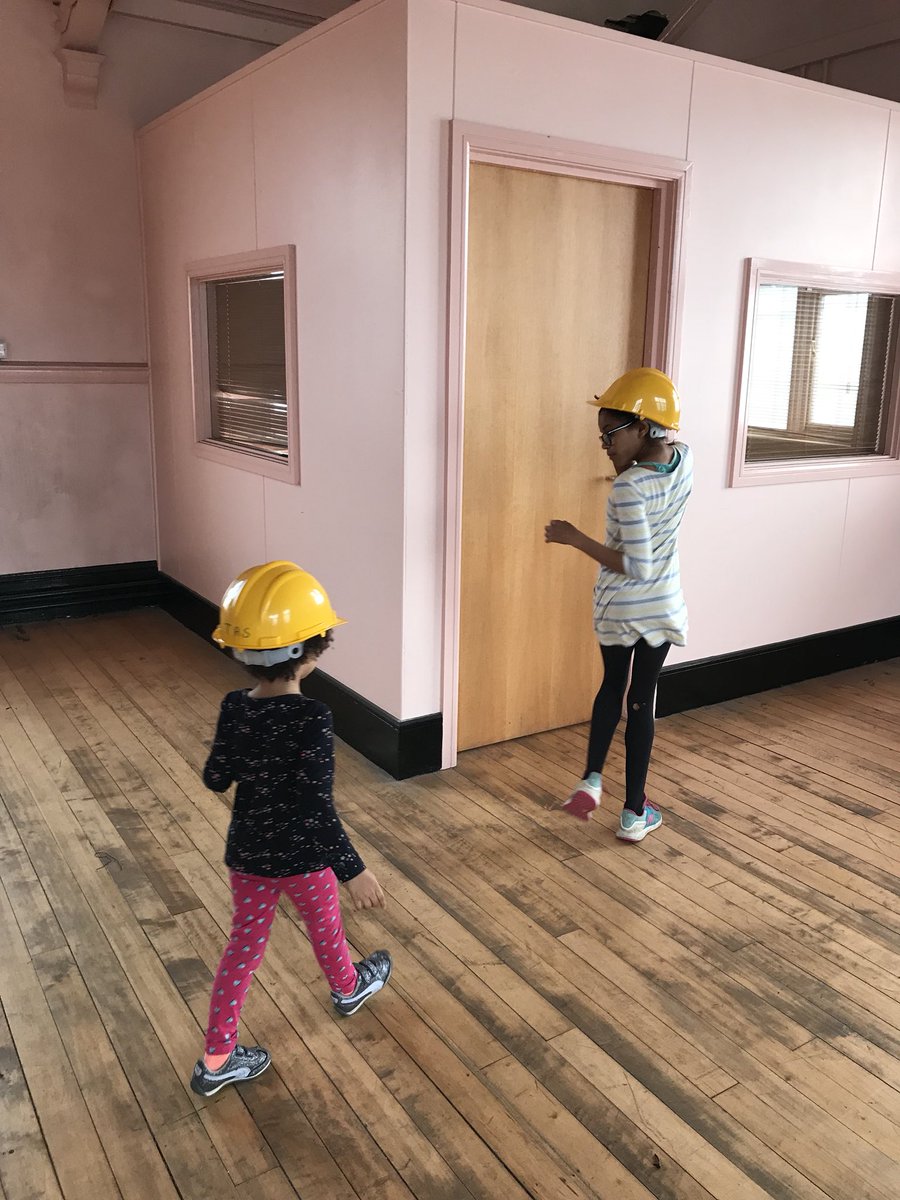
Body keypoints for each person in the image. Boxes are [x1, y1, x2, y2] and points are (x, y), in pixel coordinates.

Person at [190, 560, 392, 1098]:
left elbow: (215, 777)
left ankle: (217, 1058)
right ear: (309, 651)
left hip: (249, 855)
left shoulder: (235, 706)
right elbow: (315, 808)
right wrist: (354, 871)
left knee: (243, 949)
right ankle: (348, 988)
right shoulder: (313, 719)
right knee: (326, 931)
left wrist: (237, 743)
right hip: (304, 857)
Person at [544, 368, 692, 843]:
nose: (604, 444)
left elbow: (636, 565)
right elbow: (656, 564)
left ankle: (591, 779)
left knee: (612, 688)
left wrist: (574, 538)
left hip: (621, 607)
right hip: (663, 607)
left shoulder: (629, 488)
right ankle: (633, 813)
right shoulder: (686, 458)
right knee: (640, 701)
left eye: (611, 433)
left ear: (643, 426)